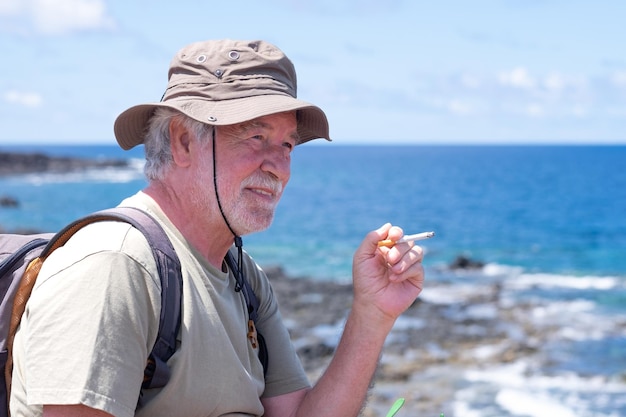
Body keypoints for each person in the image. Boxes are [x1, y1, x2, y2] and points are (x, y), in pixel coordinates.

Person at [10, 39, 425, 417]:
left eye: (286, 144)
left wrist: (372, 314)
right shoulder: (116, 264)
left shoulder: (244, 278)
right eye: (256, 136)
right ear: (183, 142)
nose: (278, 166)